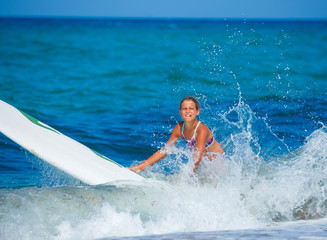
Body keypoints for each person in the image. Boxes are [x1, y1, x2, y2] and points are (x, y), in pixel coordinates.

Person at [128, 96, 224, 173]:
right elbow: (165, 150)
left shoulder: (202, 130)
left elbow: (197, 156)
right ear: (180, 112)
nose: (187, 111)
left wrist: (188, 177)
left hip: (218, 163)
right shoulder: (179, 129)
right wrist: (141, 167)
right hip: (204, 163)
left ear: (197, 112)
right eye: (184, 108)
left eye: (191, 108)